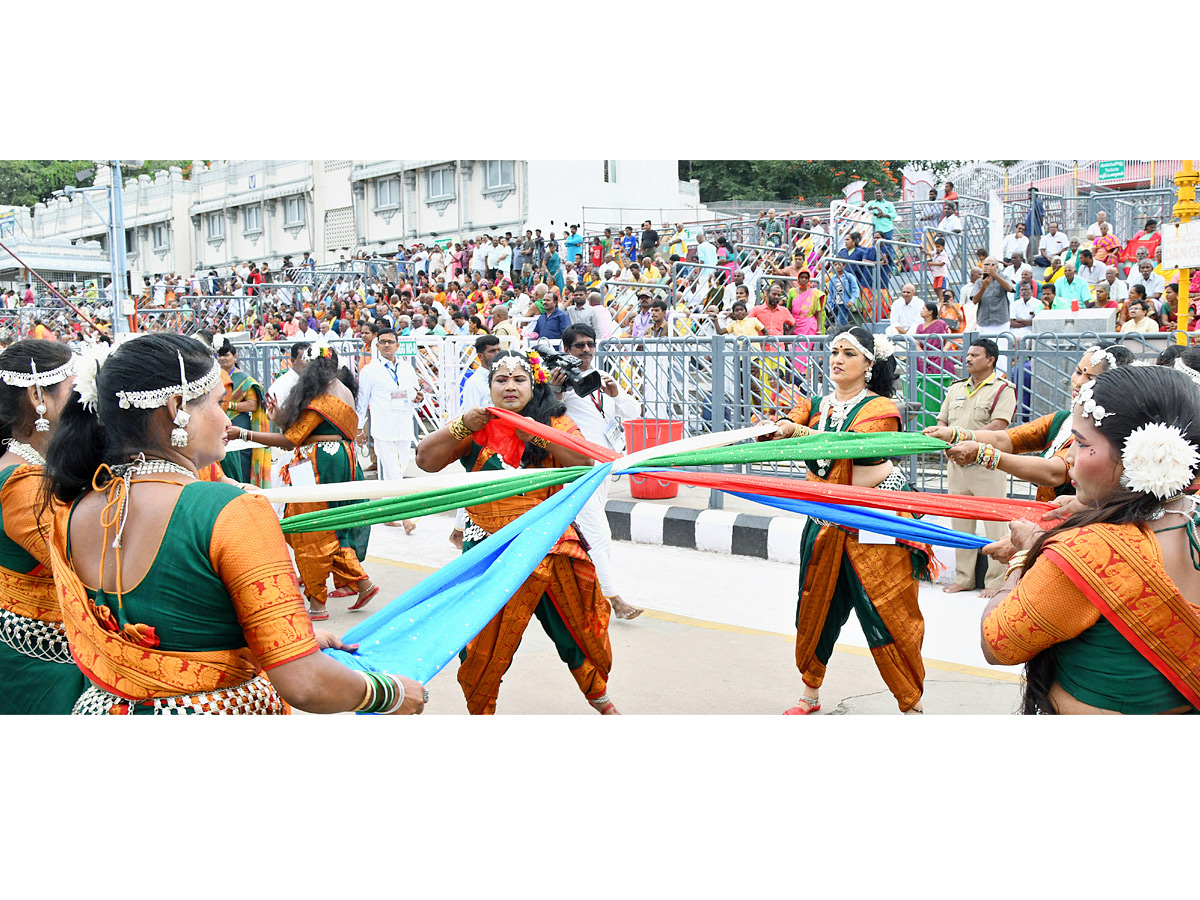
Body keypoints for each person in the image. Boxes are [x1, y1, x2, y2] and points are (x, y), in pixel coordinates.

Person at [44, 333, 423, 715]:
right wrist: (386, 692)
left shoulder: (72, 505)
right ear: (177, 407)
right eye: (218, 403)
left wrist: (283, 638)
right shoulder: (231, 511)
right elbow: (306, 683)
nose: (227, 418)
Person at [981, 366, 1200, 714]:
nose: (1068, 458)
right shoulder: (1191, 514)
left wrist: (1026, 556)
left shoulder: (1087, 552)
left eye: (1081, 444)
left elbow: (997, 644)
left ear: (1136, 458)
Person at [415, 350, 618, 715]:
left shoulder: (555, 421)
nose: (510, 386)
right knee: (480, 642)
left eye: (519, 379)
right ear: (489, 386)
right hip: (490, 548)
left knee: (576, 630)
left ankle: (603, 703)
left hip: (550, 543)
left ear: (534, 383)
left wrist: (534, 434)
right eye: (501, 380)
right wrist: (461, 426)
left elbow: (583, 462)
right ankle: (482, 712)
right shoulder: (477, 427)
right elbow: (425, 460)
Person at [765, 327, 935, 714]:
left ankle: (911, 704)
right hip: (825, 518)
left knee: (888, 609)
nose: (837, 359)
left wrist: (798, 432)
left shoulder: (881, 410)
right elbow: (784, 426)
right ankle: (809, 694)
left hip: (876, 518)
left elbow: (856, 450)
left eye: (848, 354)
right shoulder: (815, 404)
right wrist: (770, 432)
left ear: (869, 365)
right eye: (834, 351)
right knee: (815, 606)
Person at [246, 343, 382, 620]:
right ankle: (362, 583)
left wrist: (244, 434)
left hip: (320, 461)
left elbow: (290, 440)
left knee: (312, 529)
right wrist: (277, 418)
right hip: (344, 458)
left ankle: (317, 603)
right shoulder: (343, 389)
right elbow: (305, 430)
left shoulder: (321, 396)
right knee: (334, 528)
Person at [0, 340, 87, 713]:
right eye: (74, 389)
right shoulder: (23, 483)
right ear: (39, 396)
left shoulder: (37, 470)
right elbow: (87, 563)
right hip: (40, 671)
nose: (85, 403)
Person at [943, 345, 1133, 506]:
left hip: (1082, 525)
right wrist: (953, 434)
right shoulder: (1062, 419)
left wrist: (982, 454)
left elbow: (1054, 472)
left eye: (1090, 378)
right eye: (1077, 372)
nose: (1078, 382)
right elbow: (1007, 439)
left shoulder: (1108, 432)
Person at [552, 325, 643, 620]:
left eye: (590, 344)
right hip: (579, 468)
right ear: (567, 350)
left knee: (588, 534)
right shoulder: (561, 382)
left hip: (605, 465)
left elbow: (633, 413)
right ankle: (614, 599)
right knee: (599, 534)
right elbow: (548, 417)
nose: (587, 350)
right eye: (579, 346)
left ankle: (582, 593)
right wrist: (555, 390)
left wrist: (616, 394)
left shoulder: (602, 377)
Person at [923, 339, 1016, 597]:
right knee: (961, 525)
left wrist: (964, 441)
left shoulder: (1003, 389)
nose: (968, 359)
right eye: (968, 355)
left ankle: (995, 583)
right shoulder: (955, 389)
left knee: (995, 526)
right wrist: (948, 444)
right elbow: (942, 420)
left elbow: (998, 426)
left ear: (990, 360)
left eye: (975, 355)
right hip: (957, 465)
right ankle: (964, 578)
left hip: (986, 465)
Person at [355, 327, 421, 533]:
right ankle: (406, 517)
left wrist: (420, 399)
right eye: (382, 341)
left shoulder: (407, 369)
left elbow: (415, 395)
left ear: (397, 345)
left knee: (398, 470)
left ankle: (386, 512)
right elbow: (361, 402)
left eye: (390, 342)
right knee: (393, 471)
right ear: (377, 345)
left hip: (403, 425)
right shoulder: (369, 371)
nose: (386, 345)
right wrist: (358, 428)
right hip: (383, 428)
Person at [215, 339, 270, 487]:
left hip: (238, 423)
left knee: (241, 461)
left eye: (226, 355)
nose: (222, 359)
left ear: (235, 356)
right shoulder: (215, 377)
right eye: (219, 355)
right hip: (219, 423)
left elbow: (253, 405)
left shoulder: (244, 379)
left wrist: (228, 404)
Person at [914, 299, 951, 374]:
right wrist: (922, 353)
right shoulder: (919, 327)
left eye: (924, 309)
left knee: (943, 360)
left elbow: (949, 340)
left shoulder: (941, 324)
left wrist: (945, 350)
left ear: (930, 312)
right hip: (924, 353)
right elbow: (916, 343)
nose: (921, 311)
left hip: (938, 353)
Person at [825, 259, 860, 328]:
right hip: (835, 303)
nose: (837, 266)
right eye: (835, 265)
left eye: (839, 264)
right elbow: (830, 292)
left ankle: (842, 334)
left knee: (841, 322)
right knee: (837, 321)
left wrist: (852, 300)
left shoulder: (849, 276)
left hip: (844, 303)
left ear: (844, 265)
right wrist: (830, 303)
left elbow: (855, 289)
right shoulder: (833, 278)